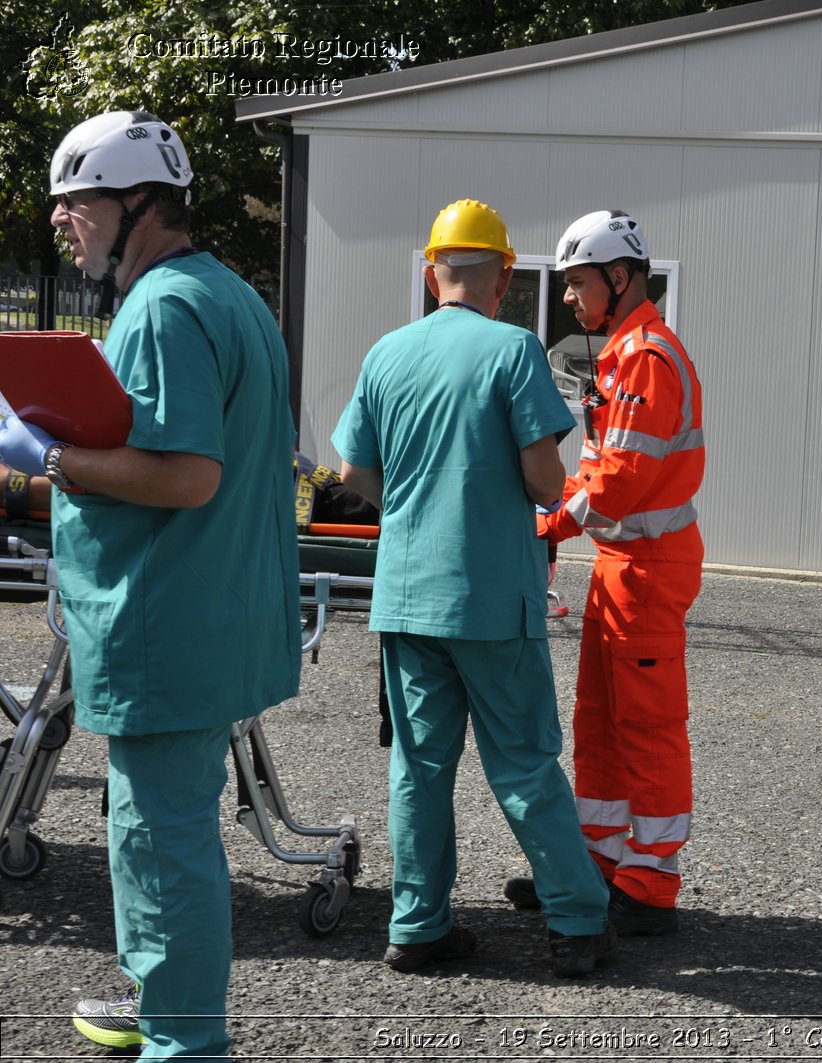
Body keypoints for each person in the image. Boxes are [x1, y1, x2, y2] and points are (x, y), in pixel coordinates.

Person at [0, 109, 301, 1056]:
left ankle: (184, 1042)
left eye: (73, 202)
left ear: (136, 204)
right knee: (165, 839)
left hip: (165, 627)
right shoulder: (228, 295)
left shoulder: (164, 306)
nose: (60, 221)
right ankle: (165, 1005)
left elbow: (186, 475)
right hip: (205, 618)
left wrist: (50, 455)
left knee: (160, 851)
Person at [331, 199, 613, 976]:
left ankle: (418, 927)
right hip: (490, 595)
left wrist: (415, 505)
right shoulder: (515, 350)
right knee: (523, 761)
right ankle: (578, 922)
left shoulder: (387, 353)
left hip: (408, 594)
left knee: (419, 768)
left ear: (431, 272)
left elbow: (353, 470)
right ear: (506, 278)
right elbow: (542, 478)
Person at [503, 209, 704, 937]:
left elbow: (616, 481)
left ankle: (650, 879)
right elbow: (599, 471)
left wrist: (545, 523)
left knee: (646, 725)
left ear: (618, 279)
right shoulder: (623, 354)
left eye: (577, 282)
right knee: (601, 719)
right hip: (625, 565)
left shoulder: (647, 357)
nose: (566, 297)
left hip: (648, 567)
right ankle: (599, 860)